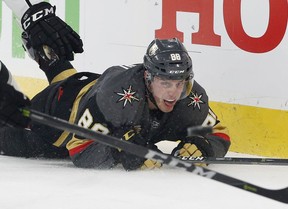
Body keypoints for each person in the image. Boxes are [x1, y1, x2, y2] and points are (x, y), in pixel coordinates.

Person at [0, 36, 231, 170]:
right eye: (166, 83)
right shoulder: (118, 98)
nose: (174, 93)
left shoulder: (190, 100)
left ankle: (50, 57)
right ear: (148, 79)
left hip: (91, 89)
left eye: (180, 83)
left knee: (74, 85)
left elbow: (220, 134)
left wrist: (204, 145)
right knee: (13, 140)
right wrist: (120, 150)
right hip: (61, 118)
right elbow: (80, 151)